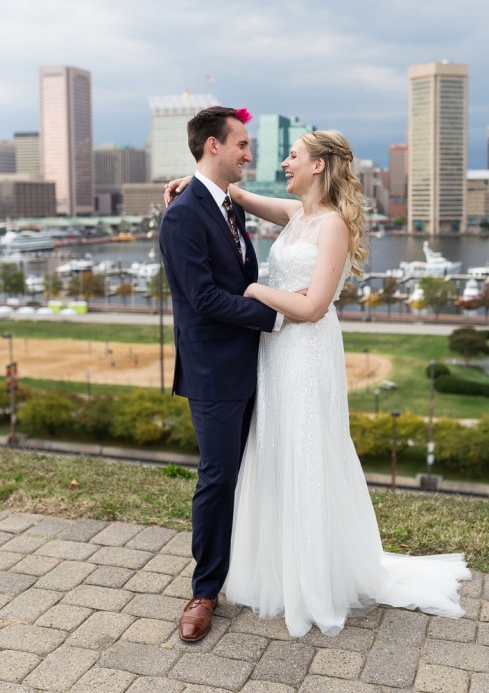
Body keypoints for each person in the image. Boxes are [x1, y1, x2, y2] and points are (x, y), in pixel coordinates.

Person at [165, 128, 470, 638]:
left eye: (293, 155)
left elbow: (312, 307)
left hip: (304, 354)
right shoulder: (295, 214)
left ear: (319, 166)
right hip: (273, 355)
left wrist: (257, 288)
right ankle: (274, 567)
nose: (283, 162)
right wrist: (192, 182)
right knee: (274, 455)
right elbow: (231, 194)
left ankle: (311, 578)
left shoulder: (331, 225)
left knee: (306, 453)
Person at [159, 106, 279, 643]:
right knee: (217, 479)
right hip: (214, 372)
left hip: (256, 364)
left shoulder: (227, 205)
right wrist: (278, 314)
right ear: (214, 145)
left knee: (257, 470)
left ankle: (258, 566)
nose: (249, 154)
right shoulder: (183, 215)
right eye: (242, 144)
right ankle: (204, 590)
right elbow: (203, 298)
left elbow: (238, 273)